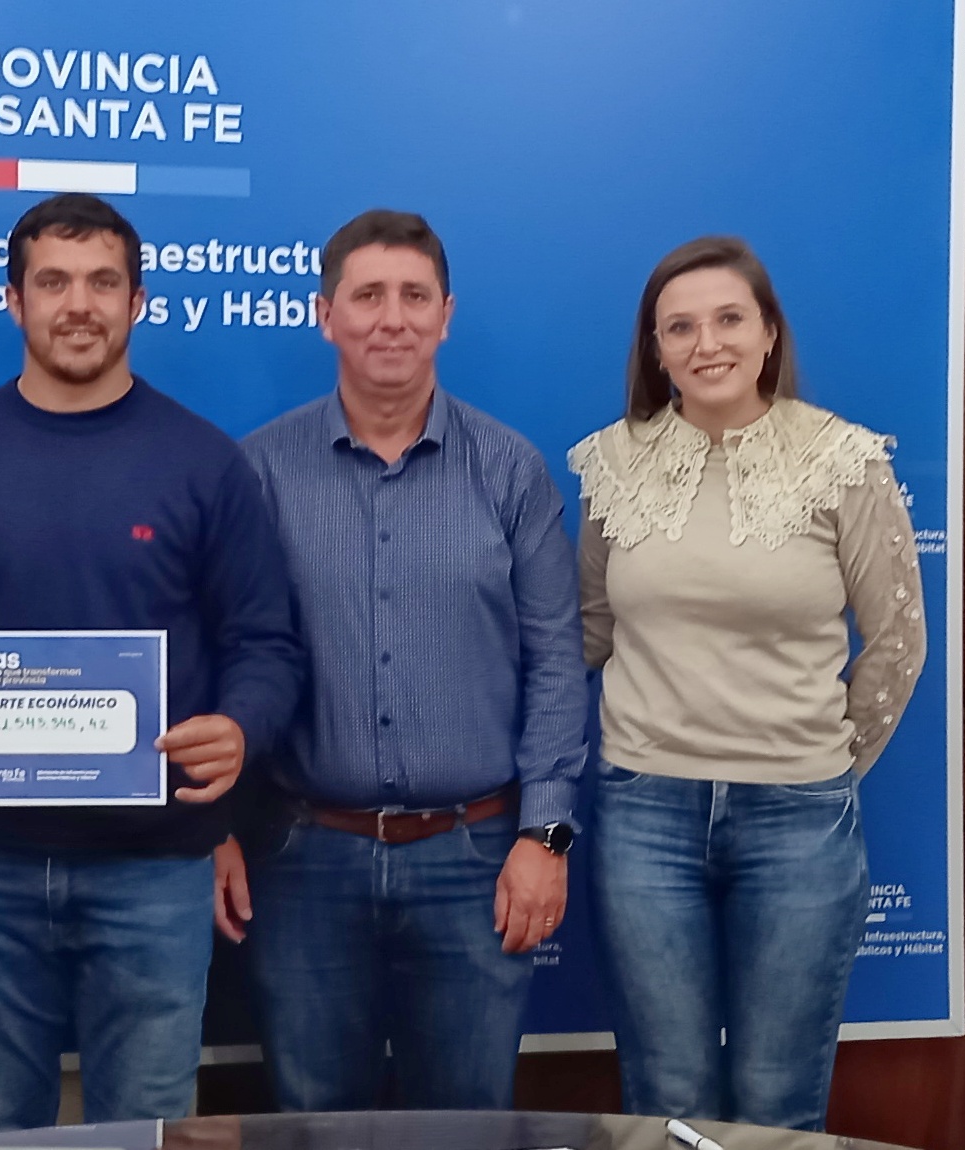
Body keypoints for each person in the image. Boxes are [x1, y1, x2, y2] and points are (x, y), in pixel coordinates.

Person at [0, 192, 304, 1137]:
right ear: (13, 301)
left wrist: (240, 728)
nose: (78, 304)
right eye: (52, 282)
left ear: (137, 302)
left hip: (154, 869)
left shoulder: (204, 462)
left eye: (103, 283)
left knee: (144, 1127)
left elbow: (263, 642)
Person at [230, 209, 589, 1112]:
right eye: (367, 296)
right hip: (303, 860)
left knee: (465, 1122)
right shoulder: (258, 471)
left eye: (413, 296)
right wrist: (214, 830)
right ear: (325, 315)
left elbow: (556, 662)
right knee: (313, 1124)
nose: (391, 318)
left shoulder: (509, 471)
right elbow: (226, 656)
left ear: (445, 315)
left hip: (475, 860)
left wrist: (545, 839)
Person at [568, 236, 925, 1130]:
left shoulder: (844, 460)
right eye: (679, 327)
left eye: (728, 319)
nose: (707, 343)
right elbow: (590, 631)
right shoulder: (611, 463)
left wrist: (821, 762)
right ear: (655, 350)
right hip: (644, 813)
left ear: (768, 332)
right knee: (668, 1097)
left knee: (775, 1100)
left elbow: (896, 643)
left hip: (798, 817)